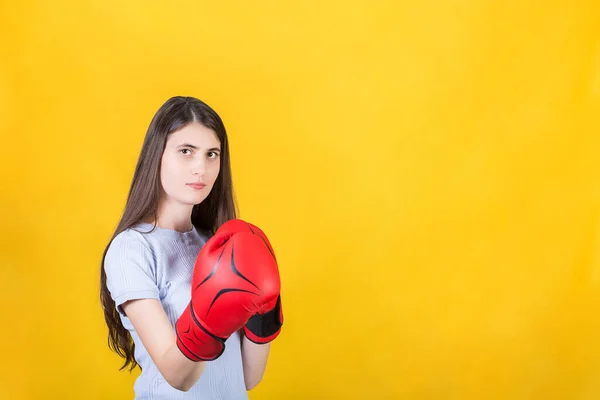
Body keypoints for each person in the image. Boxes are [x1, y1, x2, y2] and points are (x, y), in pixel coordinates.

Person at [99, 96, 283, 399]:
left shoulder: (218, 244)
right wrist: (212, 314)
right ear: (157, 155)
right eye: (186, 151)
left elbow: (249, 377)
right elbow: (179, 376)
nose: (201, 167)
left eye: (212, 154)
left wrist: (267, 306)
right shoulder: (132, 249)